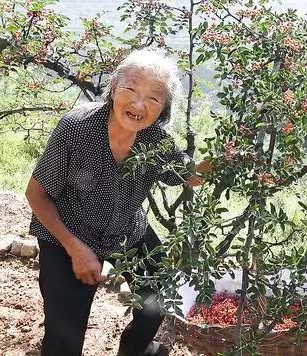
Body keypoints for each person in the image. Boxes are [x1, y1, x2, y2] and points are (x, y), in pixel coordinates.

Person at [25, 49, 210, 356]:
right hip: (68, 235)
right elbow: (36, 195)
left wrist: (230, 161)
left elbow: (189, 175)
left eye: (154, 97)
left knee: (157, 299)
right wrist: (75, 248)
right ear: (113, 88)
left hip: (128, 230)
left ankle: (137, 350)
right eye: (131, 89)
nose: (139, 104)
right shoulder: (77, 129)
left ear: (163, 106)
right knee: (64, 338)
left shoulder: (155, 141)